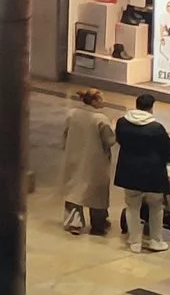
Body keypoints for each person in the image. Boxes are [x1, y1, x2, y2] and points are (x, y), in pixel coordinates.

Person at [116, 92, 170, 252]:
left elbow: (119, 140)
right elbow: (169, 150)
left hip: (129, 173)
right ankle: (156, 241)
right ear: (151, 108)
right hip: (153, 175)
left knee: (132, 208)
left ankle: (134, 242)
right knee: (156, 208)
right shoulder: (156, 128)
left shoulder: (122, 123)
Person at [61, 88, 116, 236]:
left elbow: (65, 133)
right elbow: (110, 140)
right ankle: (99, 224)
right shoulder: (101, 119)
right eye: (101, 99)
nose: (104, 101)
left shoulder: (72, 114)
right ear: (94, 101)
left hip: (74, 156)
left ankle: (74, 223)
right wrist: (114, 127)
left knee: (74, 191)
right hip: (95, 160)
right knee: (97, 193)